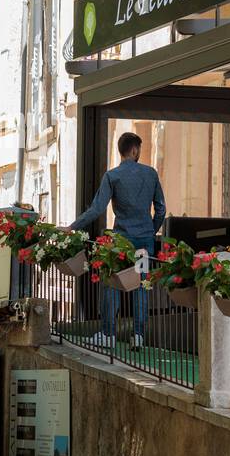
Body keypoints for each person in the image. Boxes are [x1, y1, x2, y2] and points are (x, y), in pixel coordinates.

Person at [71, 132, 166, 349]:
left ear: (121, 150)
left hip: (120, 243)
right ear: (135, 150)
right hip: (144, 243)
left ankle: (108, 333)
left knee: (112, 283)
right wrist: (152, 230)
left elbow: (96, 209)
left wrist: (72, 227)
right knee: (141, 284)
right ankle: (139, 335)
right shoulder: (150, 174)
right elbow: (161, 208)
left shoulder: (112, 176)